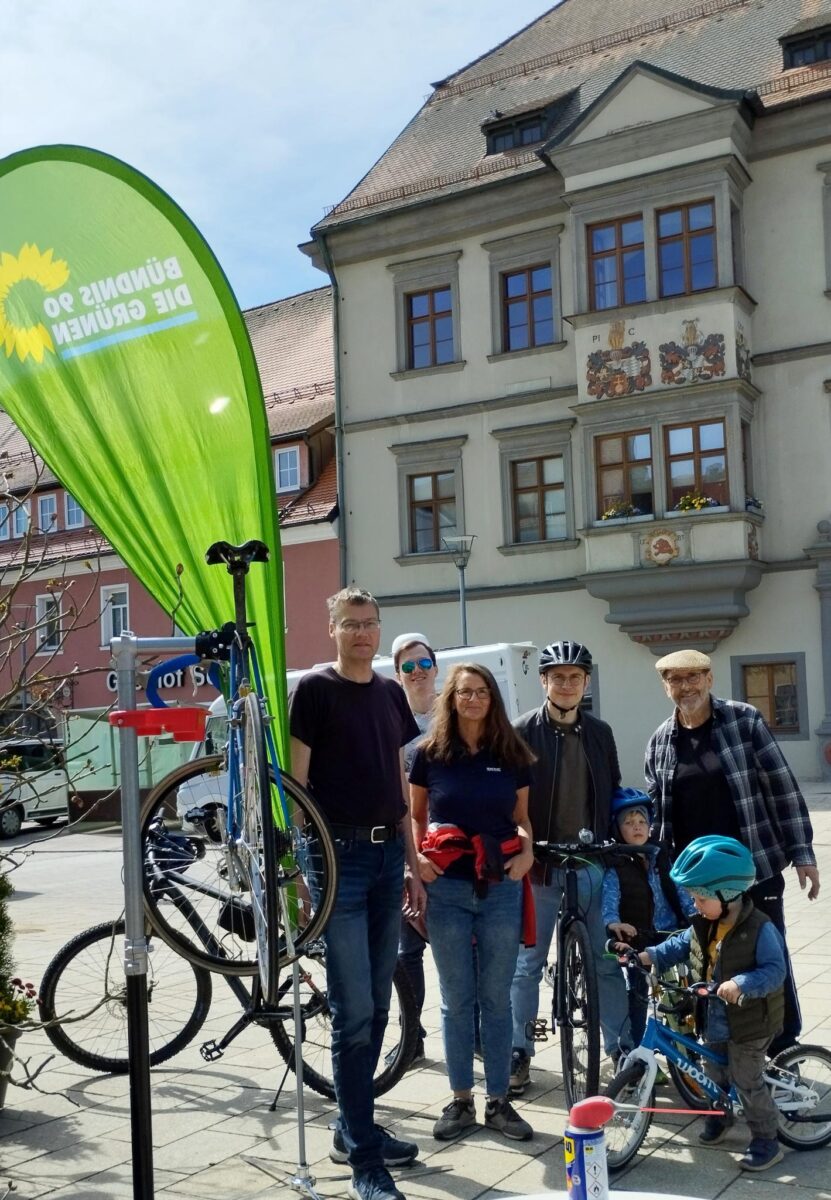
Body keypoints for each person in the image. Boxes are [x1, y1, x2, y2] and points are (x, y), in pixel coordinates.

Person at [289, 587, 426, 1200]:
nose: (363, 633)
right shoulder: (314, 690)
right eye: (352, 624)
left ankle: (354, 1125)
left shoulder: (391, 692)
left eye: (371, 624)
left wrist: (413, 857)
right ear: (333, 628)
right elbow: (294, 781)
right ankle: (366, 1160)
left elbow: (397, 773)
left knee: (376, 998)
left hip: (386, 855)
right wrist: (295, 869)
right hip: (335, 859)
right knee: (355, 1012)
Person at [645, 648, 820, 1055]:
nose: (684, 686)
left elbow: (782, 786)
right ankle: (725, 1054)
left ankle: (783, 1048)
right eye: (675, 679)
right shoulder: (660, 742)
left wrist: (803, 853)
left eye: (693, 677)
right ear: (665, 686)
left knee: (767, 957)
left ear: (708, 679)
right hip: (697, 884)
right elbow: (657, 818)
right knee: (707, 964)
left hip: (753, 869)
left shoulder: (744, 721)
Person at [410, 662, 536, 1143]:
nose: (473, 699)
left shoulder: (512, 754)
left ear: (493, 698)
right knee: (457, 1000)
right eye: (465, 691)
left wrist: (527, 851)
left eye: (482, 691)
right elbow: (416, 817)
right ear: (451, 698)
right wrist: (418, 861)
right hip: (448, 890)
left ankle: (499, 1101)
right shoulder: (429, 755)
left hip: (502, 886)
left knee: (497, 998)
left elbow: (522, 819)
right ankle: (461, 1099)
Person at [509, 640, 631, 1094]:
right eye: (557, 676)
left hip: (590, 859)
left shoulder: (600, 732)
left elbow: (613, 788)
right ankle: (518, 1051)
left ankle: (623, 1049)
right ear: (543, 681)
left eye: (574, 677)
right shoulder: (521, 731)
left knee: (603, 960)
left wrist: (626, 837)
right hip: (539, 862)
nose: (565, 684)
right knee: (527, 963)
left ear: (585, 682)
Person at [637, 835, 786, 1172]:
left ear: (728, 894)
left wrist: (740, 983)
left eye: (700, 898)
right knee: (713, 1072)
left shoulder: (759, 928)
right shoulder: (705, 924)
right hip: (715, 1017)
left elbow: (775, 971)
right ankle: (720, 1117)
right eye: (693, 898)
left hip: (749, 1021)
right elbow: (676, 947)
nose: (695, 905)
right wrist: (648, 956)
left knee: (746, 1079)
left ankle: (766, 1138)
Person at [601, 786, 695, 1046]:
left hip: (669, 933)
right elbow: (610, 898)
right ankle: (637, 1048)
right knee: (638, 993)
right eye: (629, 822)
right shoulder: (616, 864)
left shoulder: (661, 856)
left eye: (642, 821)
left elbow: (680, 890)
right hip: (638, 937)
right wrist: (613, 922)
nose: (637, 826)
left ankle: (682, 1044)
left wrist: (695, 915)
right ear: (617, 828)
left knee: (683, 990)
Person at [390, 631, 439, 1062]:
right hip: (405, 843)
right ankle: (413, 1038)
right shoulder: (389, 720)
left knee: (464, 947)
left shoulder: (456, 712)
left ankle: (475, 1031)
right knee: (408, 950)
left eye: (424, 664)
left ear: (436, 668)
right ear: (397, 674)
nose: (418, 672)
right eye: (408, 666)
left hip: (452, 849)